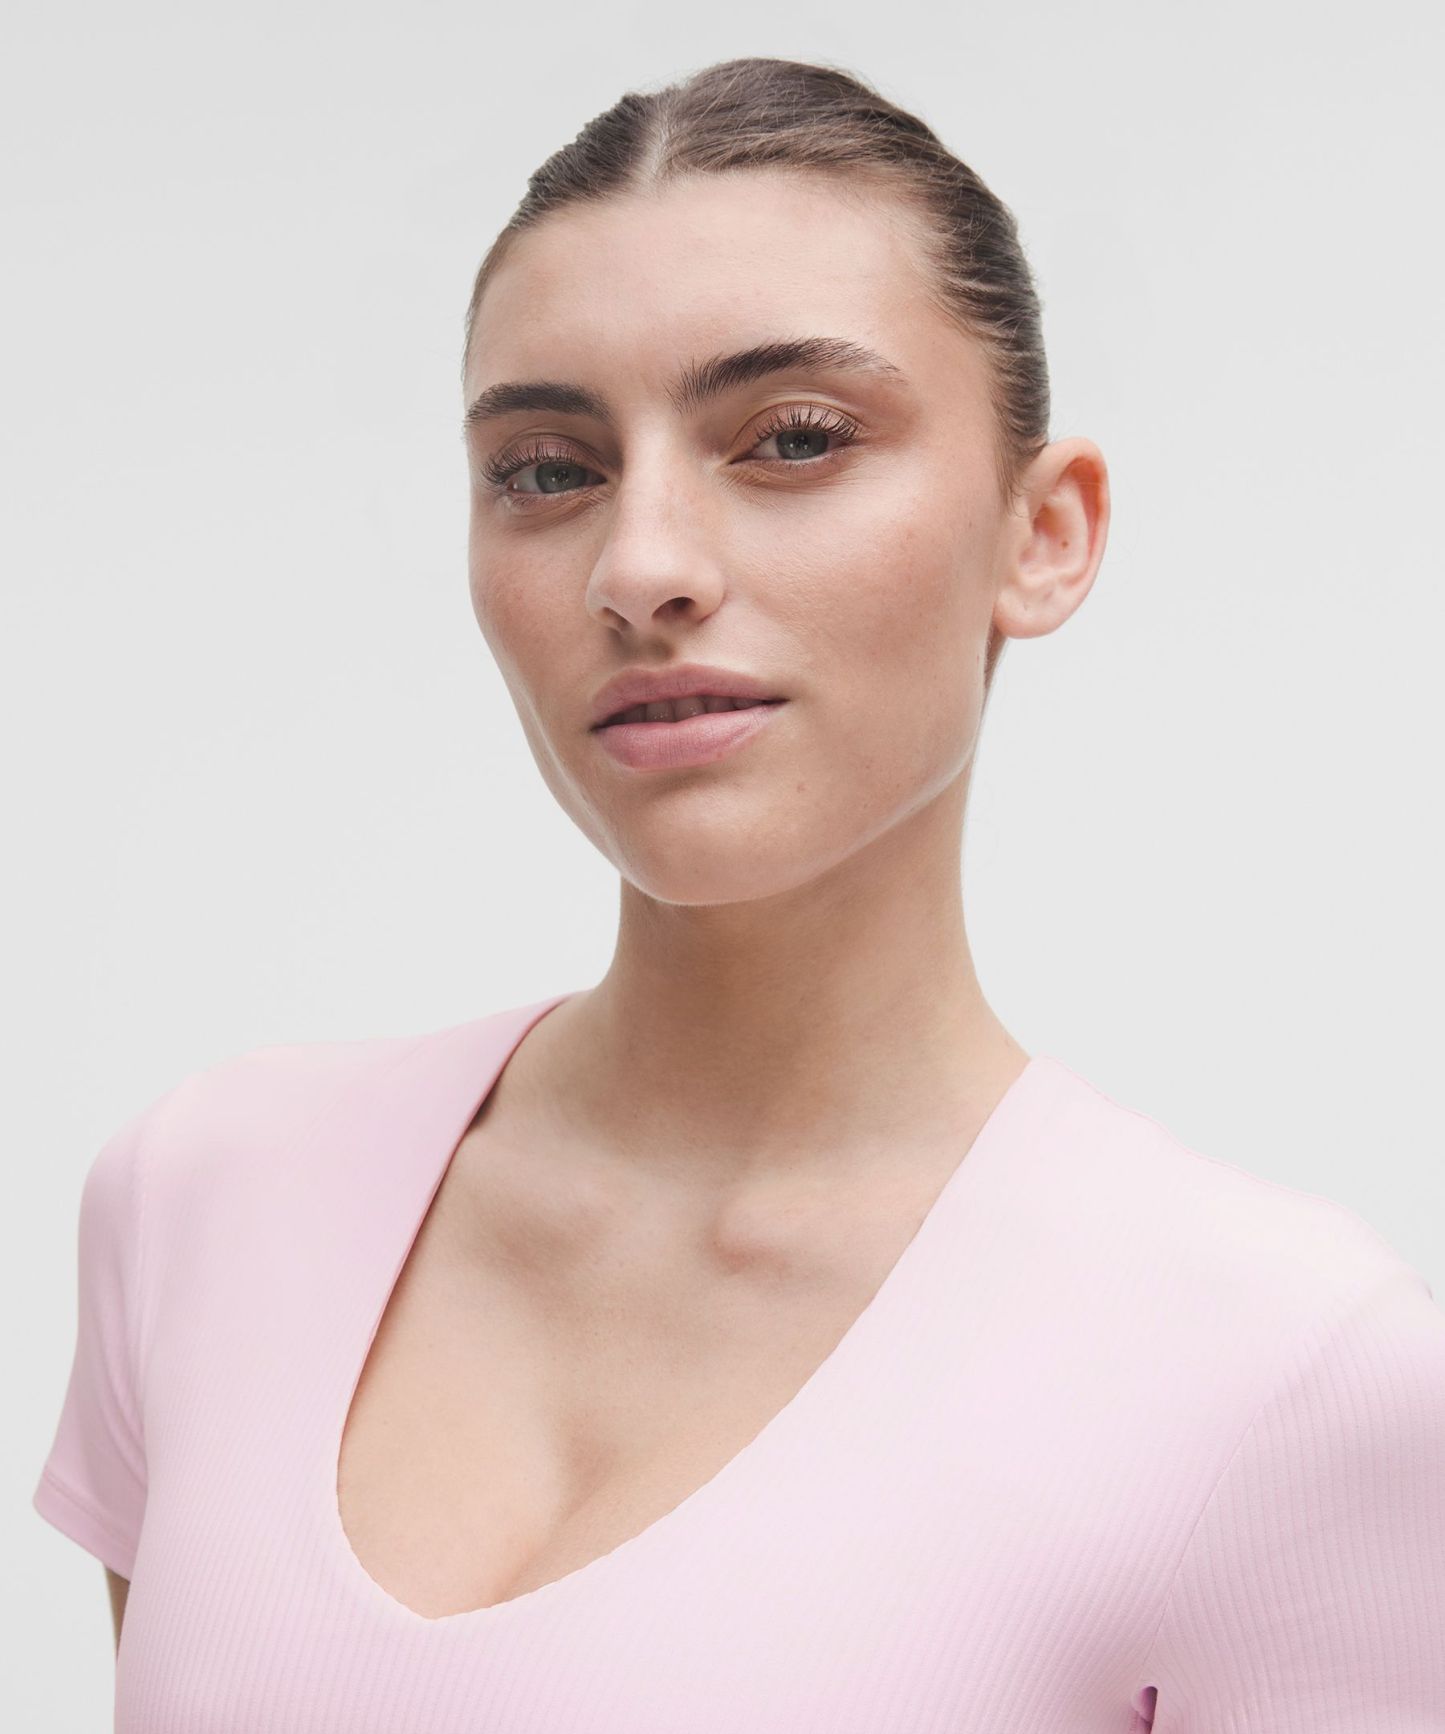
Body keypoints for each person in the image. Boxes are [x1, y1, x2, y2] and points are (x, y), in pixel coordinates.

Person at [33, 54, 1445, 1734]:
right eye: (546, 469)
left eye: (791, 439)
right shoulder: (206, 1203)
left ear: (1043, 532)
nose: (640, 567)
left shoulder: (1279, 1371)